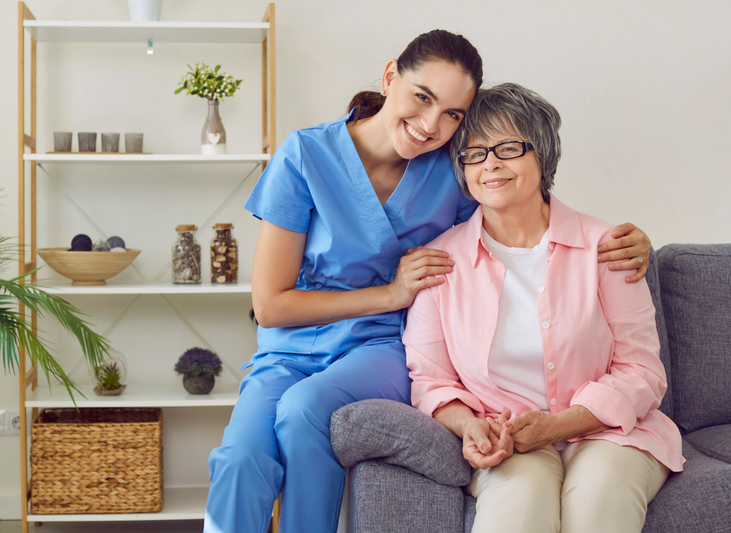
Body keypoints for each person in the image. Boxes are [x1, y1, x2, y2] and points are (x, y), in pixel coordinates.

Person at [204, 31, 653, 533]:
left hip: (379, 346)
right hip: (289, 345)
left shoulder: (453, 167)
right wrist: (391, 293)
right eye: (422, 97)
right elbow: (269, 306)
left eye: (453, 115)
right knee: (239, 458)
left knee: (303, 412)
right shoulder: (306, 155)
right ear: (391, 75)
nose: (430, 125)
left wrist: (628, 241)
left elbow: (522, 210)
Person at [404, 83, 684, 533]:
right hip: (508, 439)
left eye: (508, 148)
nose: (490, 163)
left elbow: (642, 371)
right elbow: (431, 378)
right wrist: (468, 426)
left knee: (598, 498)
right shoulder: (441, 262)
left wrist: (558, 426)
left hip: (610, 431)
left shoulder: (607, 248)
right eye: (474, 154)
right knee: (517, 507)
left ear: (543, 155)